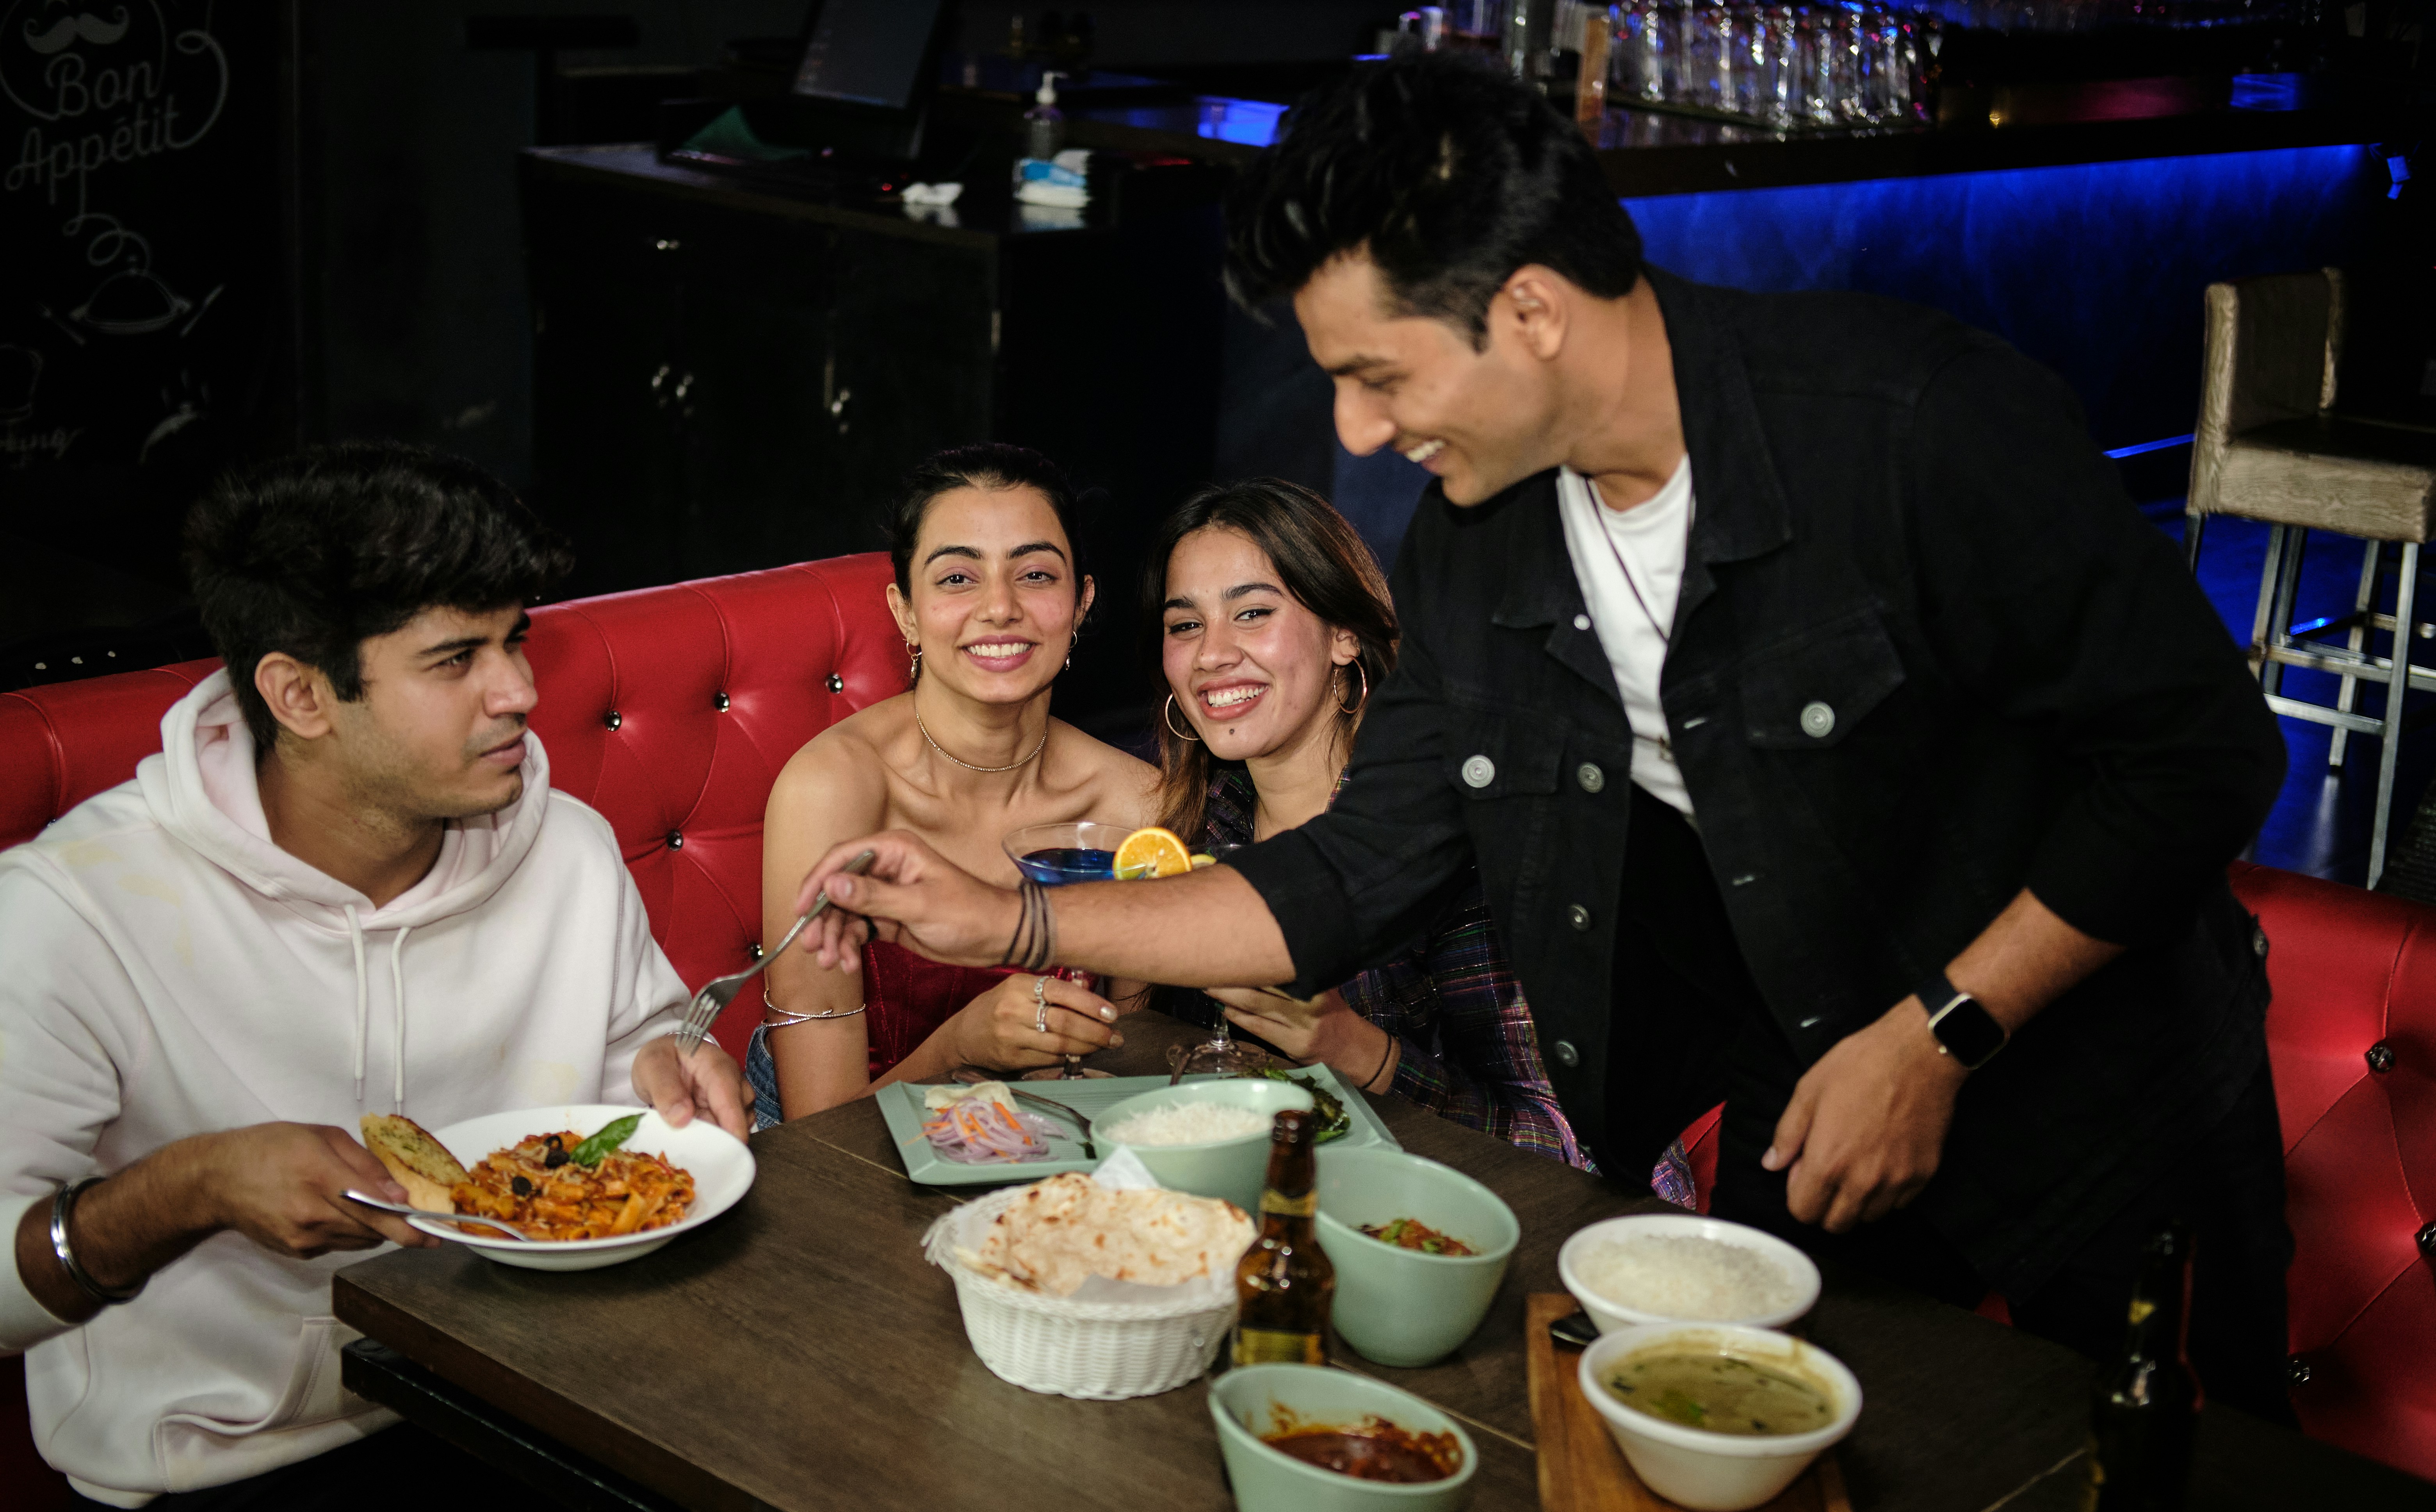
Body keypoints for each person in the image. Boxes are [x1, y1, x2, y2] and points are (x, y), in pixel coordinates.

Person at [786, 55, 2297, 1419]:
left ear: (1529, 311)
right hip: (1809, 1108)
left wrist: (1944, 1033)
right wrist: (1014, 917)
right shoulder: (1479, 547)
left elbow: (2201, 760)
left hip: (2102, 1103)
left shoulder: (1912, 422)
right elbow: (1348, 871)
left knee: (2195, 1511)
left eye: (1377, 376)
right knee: (1835, 1502)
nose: (1360, 433)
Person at [0, 444, 750, 1512]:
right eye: (458, 659)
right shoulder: (72, 908)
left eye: (516, 640)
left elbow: (633, 1068)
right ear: (300, 695)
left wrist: (664, 1064)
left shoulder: (566, 851)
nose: (518, 691)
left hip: (525, 1397)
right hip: (230, 1475)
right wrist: (181, 1190)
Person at [1147, 476, 1667, 1188]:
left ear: (1344, 636)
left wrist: (1352, 1047)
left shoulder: (1458, 836)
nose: (1212, 654)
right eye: (1185, 625)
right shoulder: (1194, 825)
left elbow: (1568, 1150)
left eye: (1253, 613)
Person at [749, 444, 1158, 1123]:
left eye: (1034, 574)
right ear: (905, 611)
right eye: (958, 579)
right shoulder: (831, 791)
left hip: (1048, 1133)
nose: (1000, 608)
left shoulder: (1135, 805)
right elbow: (817, 1127)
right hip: (836, 1148)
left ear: (1081, 602)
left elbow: (1122, 1060)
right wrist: (962, 1048)